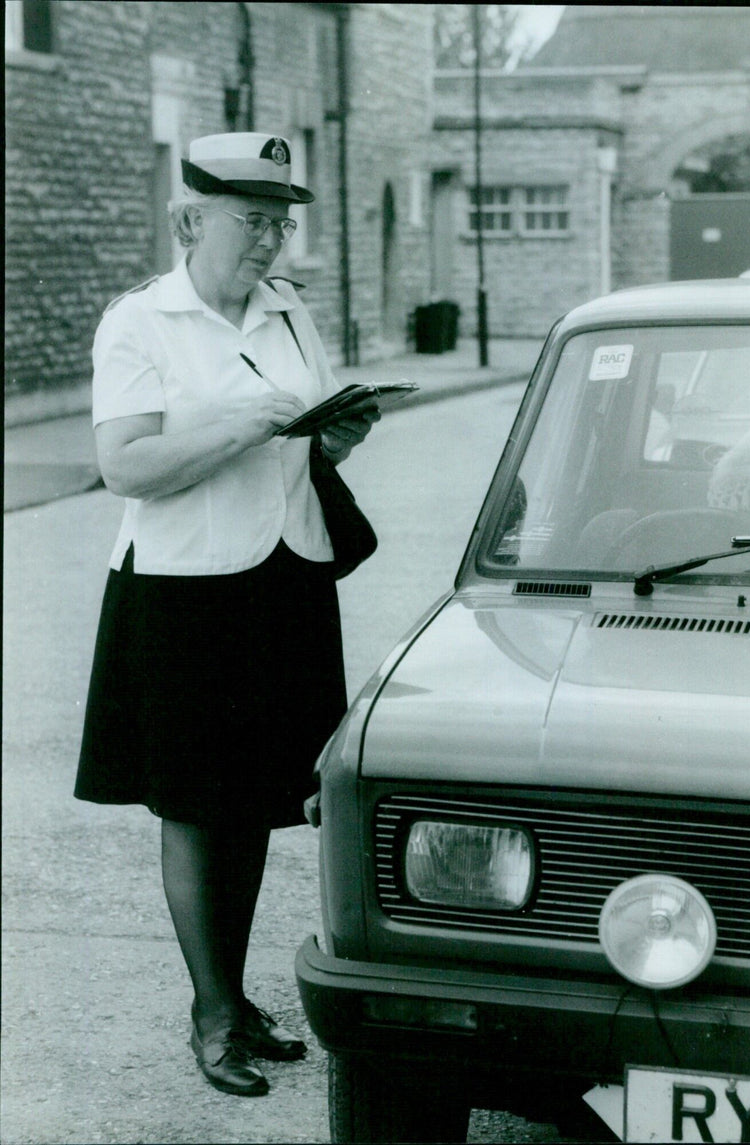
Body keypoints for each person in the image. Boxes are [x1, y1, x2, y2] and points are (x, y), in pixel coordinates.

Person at [74, 132, 378, 1097]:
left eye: (281, 223)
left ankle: (238, 999)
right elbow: (127, 466)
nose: (271, 241)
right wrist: (245, 424)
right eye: (253, 220)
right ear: (190, 219)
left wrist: (337, 433)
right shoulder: (143, 323)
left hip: (284, 580)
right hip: (185, 592)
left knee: (253, 798)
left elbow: (303, 446)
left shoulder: (290, 311)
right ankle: (212, 1013)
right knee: (198, 808)